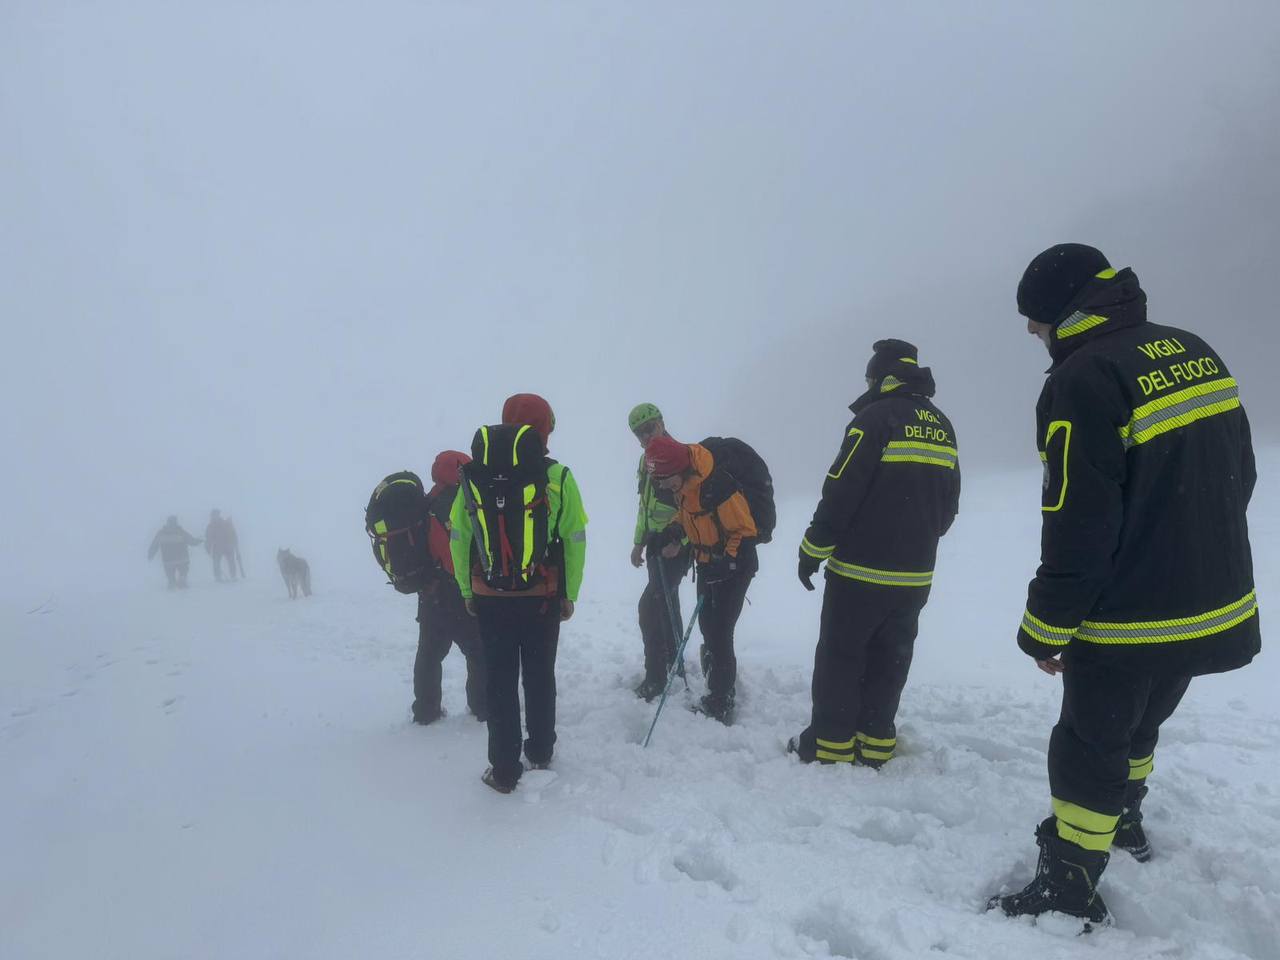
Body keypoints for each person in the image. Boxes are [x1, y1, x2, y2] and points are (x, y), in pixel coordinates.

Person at [988, 244, 1260, 927]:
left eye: (1036, 317)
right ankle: (1125, 821)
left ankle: (1069, 885)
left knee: (1088, 747)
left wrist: (1046, 627)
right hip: (1212, 601)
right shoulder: (1194, 349)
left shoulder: (1083, 378)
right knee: (1140, 727)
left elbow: (1077, 521)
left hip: (1129, 614)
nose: (1031, 331)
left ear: (1065, 310)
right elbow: (1241, 474)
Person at [788, 340, 960, 767]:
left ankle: (829, 744)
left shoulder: (874, 419)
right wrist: (917, 539)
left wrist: (812, 549)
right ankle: (876, 743)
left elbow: (841, 491)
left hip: (860, 572)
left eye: (868, 378)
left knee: (841, 656)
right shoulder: (942, 424)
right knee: (891, 660)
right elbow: (949, 506)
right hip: (915, 577)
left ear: (881, 377)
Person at [450, 394, 588, 794]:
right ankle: (541, 750)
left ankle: (504, 769)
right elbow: (574, 538)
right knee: (540, 675)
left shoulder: (472, 475)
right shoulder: (557, 476)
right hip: (542, 595)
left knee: (499, 680)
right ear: (544, 429)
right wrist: (569, 593)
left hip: (490, 596)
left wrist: (467, 589)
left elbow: (459, 536)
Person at [645, 434, 759, 724]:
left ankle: (721, 700)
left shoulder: (718, 487)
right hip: (708, 564)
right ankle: (717, 678)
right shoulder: (685, 486)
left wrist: (728, 561)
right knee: (708, 626)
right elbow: (689, 517)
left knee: (720, 632)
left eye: (665, 480)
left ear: (679, 469)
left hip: (735, 567)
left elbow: (745, 531)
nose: (663, 486)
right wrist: (673, 532)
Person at [413, 450, 487, 725]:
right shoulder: (460, 502)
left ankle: (425, 710)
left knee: (429, 654)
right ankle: (482, 705)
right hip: (457, 590)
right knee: (477, 650)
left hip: (429, 591)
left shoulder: (426, 502)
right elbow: (456, 552)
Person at [627, 403, 691, 701]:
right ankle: (674, 660)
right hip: (655, 544)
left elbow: (694, 508)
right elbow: (645, 505)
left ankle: (655, 677)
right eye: (639, 433)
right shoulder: (646, 461)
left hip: (677, 546)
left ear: (662, 423)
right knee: (666, 602)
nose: (645, 436)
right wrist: (639, 542)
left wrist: (680, 541)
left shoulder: (680, 457)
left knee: (650, 608)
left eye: (649, 428)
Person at [147, 516, 202, 589]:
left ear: (167, 522)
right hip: (182, 558)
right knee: (183, 571)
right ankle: (182, 581)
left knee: (170, 574)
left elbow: (155, 544)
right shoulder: (180, 532)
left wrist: (151, 554)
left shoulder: (161, 533)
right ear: (176, 522)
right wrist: (198, 541)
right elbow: (191, 541)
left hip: (168, 560)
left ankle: (172, 583)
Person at [204, 509, 240, 581]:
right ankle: (218, 577)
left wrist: (235, 544)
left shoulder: (225, 523)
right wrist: (208, 548)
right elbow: (208, 538)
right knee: (216, 563)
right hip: (218, 547)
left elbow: (233, 534)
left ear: (219, 515)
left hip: (228, 546)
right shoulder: (210, 526)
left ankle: (233, 576)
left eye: (216, 515)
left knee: (231, 561)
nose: (214, 516)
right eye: (213, 515)